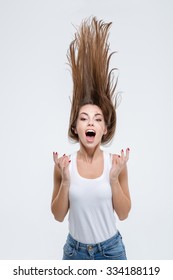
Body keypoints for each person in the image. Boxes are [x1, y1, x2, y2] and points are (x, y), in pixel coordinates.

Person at [51, 17, 131, 260]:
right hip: (75, 253)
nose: (90, 123)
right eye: (84, 118)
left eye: (97, 119)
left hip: (111, 252)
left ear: (104, 129)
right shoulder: (64, 165)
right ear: (75, 127)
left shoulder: (116, 163)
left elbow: (124, 213)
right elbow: (58, 215)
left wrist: (115, 179)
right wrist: (65, 181)